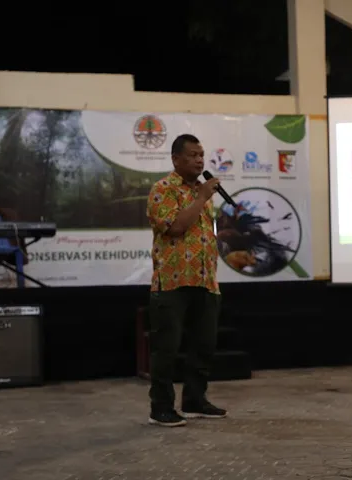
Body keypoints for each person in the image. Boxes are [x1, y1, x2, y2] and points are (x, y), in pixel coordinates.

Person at [146, 133, 227, 427]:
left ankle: (194, 400)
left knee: (203, 345)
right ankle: (161, 408)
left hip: (205, 279)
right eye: (192, 155)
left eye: (201, 155)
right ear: (175, 159)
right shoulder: (163, 189)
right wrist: (202, 196)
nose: (199, 160)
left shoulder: (200, 192)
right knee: (166, 349)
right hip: (172, 282)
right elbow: (176, 227)